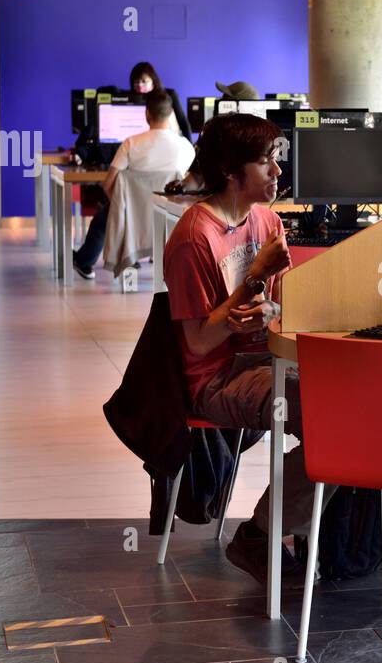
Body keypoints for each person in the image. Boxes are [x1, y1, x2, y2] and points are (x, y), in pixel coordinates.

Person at [163, 113, 334, 582]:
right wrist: (256, 275)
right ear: (231, 172)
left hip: (268, 359)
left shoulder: (267, 220)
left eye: (277, 159)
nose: (278, 172)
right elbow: (197, 343)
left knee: (356, 403)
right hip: (217, 378)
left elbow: (278, 308)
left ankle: (324, 539)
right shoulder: (194, 238)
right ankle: (260, 535)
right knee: (334, 419)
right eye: (266, 162)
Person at [73, 90, 195, 279]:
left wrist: (122, 206)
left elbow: (108, 185)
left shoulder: (130, 143)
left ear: (146, 114)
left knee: (104, 216)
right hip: (171, 217)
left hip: (131, 216)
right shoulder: (186, 146)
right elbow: (189, 184)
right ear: (171, 114)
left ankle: (84, 261)